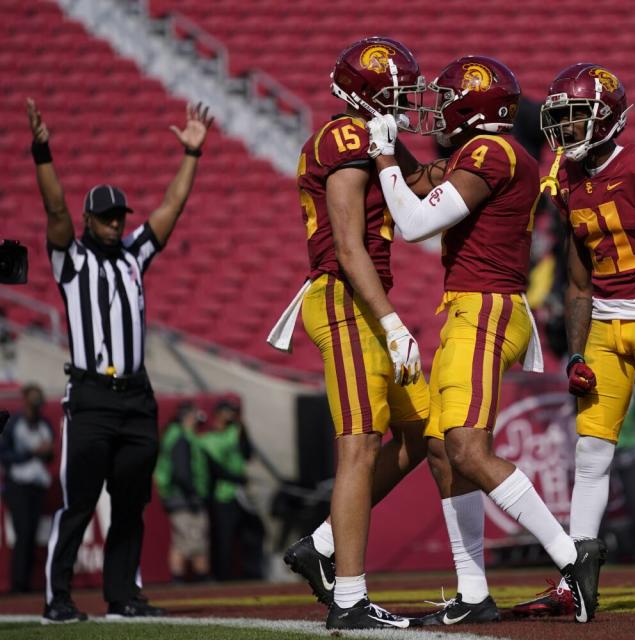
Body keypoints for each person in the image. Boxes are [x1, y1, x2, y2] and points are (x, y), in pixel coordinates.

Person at [366, 54, 605, 625]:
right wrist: (395, 146)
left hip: (486, 308)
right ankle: (473, 591)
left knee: (469, 450)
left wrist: (381, 155)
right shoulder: (489, 153)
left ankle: (573, 560)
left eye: (449, 100)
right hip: (470, 306)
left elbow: (415, 222)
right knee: (445, 452)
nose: (440, 111)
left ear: (477, 107)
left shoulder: (490, 151)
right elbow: (424, 184)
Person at [510, 62, 635, 615]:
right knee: (590, 452)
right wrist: (574, 351)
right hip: (602, 323)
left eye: (573, 118)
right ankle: (573, 576)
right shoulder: (566, 180)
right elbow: (575, 281)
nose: (563, 131)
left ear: (607, 119)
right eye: (559, 119)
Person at [28, 98, 213, 623]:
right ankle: (58, 599)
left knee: (132, 504)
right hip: (89, 396)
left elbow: (170, 210)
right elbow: (55, 212)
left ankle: (123, 595)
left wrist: (191, 155)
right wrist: (42, 150)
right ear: (90, 219)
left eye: (119, 216)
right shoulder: (72, 258)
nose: (114, 223)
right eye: (105, 216)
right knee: (79, 504)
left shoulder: (134, 254)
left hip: (135, 396)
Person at [273, 37, 431, 630]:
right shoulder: (343, 138)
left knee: (426, 433)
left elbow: (428, 182)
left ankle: (319, 545)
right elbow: (346, 246)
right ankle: (349, 598)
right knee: (360, 445)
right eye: (394, 92)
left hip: (366, 303)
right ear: (363, 95)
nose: (404, 102)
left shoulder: (374, 139)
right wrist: (391, 321)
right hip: (345, 301)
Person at [199, 399, 264, 581]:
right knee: (224, 536)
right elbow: (214, 468)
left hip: (240, 493)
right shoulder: (207, 438)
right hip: (222, 494)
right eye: (227, 412)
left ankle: (250, 572)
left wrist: (243, 427)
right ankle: (222, 575)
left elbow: (247, 453)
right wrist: (235, 477)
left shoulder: (234, 432)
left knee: (251, 532)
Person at [0, 384, 55, 593]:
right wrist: (31, 452)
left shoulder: (44, 425)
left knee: (32, 534)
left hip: (36, 485)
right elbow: (5, 455)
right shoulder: (15, 424)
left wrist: (45, 452)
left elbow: (49, 455)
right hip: (18, 484)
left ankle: (27, 582)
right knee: (23, 533)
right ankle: (17, 584)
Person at [154, 402, 210, 582]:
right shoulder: (181, 438)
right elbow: (181, 472)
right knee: (195, 539)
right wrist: (192, 494)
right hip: (184, 497)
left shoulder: (174, 435)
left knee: (181, 540)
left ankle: (178, 578)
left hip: (176, 496)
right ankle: (199, 577)